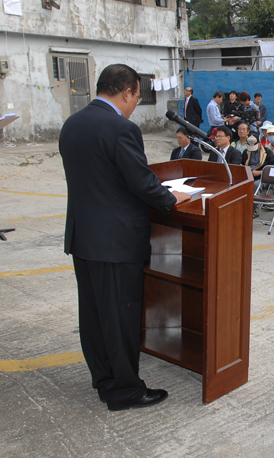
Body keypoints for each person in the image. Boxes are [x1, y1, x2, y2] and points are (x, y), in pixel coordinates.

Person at [59, 64, 190, 411]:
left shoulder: (72, 123)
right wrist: (170, 198)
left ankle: (104, 380)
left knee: (94, 316)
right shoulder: (120, 128)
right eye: (136, 97)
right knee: (121, 318)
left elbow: (99, 179)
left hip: (84, 237)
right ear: (129, 91)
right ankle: (125, 391)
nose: (134, 104)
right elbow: (140, 181)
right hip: (115, 242)